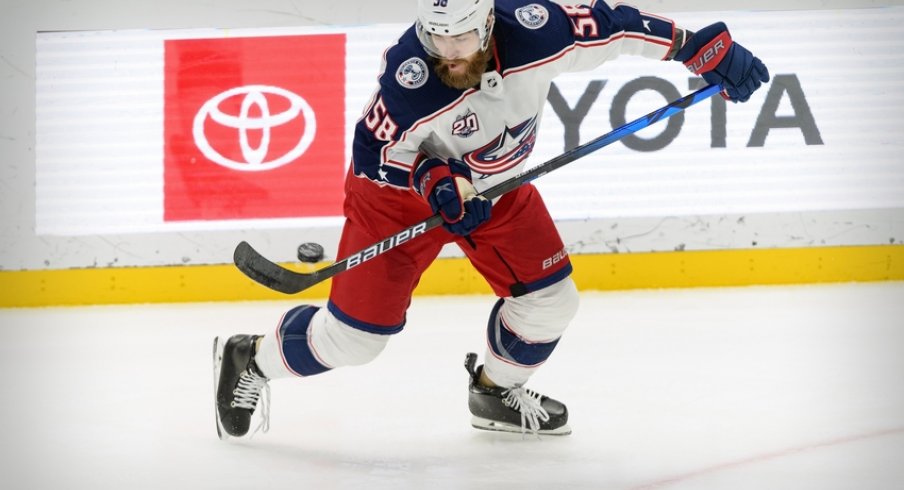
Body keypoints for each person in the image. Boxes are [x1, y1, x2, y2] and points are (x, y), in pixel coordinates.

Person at [214, 0, 769, 439]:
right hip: (395, 196)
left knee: (552, 302)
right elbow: (374, 154)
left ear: (487, 25)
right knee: (355, 343)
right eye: (436, 37)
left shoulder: (538, 29)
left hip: (495, 186)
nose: (448, 52)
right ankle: (251, 360)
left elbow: (617, 25)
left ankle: (494, 392)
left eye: (460, 36)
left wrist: (695, 47)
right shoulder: (410, 77)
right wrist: (434, 179)